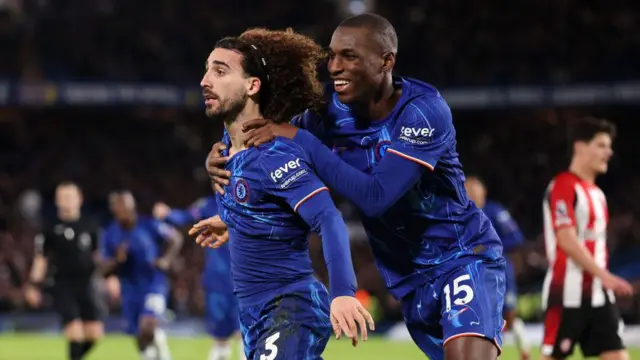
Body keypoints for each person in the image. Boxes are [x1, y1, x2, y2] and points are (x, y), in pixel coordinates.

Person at [205, 13, 505, 360]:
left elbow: (375, 197)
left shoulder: (422, 112)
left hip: (461, 256)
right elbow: (267, 150)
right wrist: (222, 161)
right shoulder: (326, 116)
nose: (334, 67)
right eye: (332, 56)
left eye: (350, 56)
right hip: (408, 279)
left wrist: (302, 137)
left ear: (385, 62)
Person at [189, 28, 374, 359]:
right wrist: (233, 219)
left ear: (252, 86)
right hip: (254, 312)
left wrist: (344, 293)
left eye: (220, 71)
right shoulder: (228, 147)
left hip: (290, 306)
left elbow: (329, 218)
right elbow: (258, 199)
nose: (205, 80)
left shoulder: (274, 155)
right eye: (206, 69)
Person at [540, 117, 633, 360]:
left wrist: (603, 280)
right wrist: (605, 275)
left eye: (609, 146)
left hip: (599, 295)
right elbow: (566, 239)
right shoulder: (563, 186)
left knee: (618, 355)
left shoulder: (598, 194)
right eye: (601, 145)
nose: (609, 152)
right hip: (566, 293)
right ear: (580, 147)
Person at [153, 197, 243, 360]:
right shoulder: (208, 204)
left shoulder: (247, 198)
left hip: (246, 278)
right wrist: (167, 214)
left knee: (245, 334)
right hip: (217, 280)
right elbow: (185, 217)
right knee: (220, 336)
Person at [25, 182, 104, 360]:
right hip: (62, 284)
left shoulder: (90, 225)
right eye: (63, 197)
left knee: (95, 334)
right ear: (57, 201)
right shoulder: (49, 229)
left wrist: (109, 277)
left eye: (71, 196)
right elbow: (41, 259)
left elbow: (99, 256)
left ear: (80, 199)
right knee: (75, 332)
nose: (67, 201)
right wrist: (33, 286)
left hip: (86, 284)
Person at [101, 190, 183, 360]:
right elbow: (104, 268)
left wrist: (166, 260)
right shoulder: (110, 234)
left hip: (154, 282)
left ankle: (161, 350)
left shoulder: (149, 224)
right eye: (121, 207)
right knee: (140, 335)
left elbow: (176, 238)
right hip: (129, 288)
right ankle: (156, 350)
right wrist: (117, 260)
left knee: (148, 325)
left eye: (128, 206)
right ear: (114, 210)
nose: (126, 210)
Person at [465, 176, 530, 360]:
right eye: (468, 190)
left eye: (474, 190)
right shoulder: (459, 215)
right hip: (471, 274)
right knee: (479, 317)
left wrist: (487, 248)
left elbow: (515, 238)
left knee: (510, 314)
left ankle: (524, 352)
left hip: (499, 272)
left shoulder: (494, 211)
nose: (471, 194)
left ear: (483, 192)